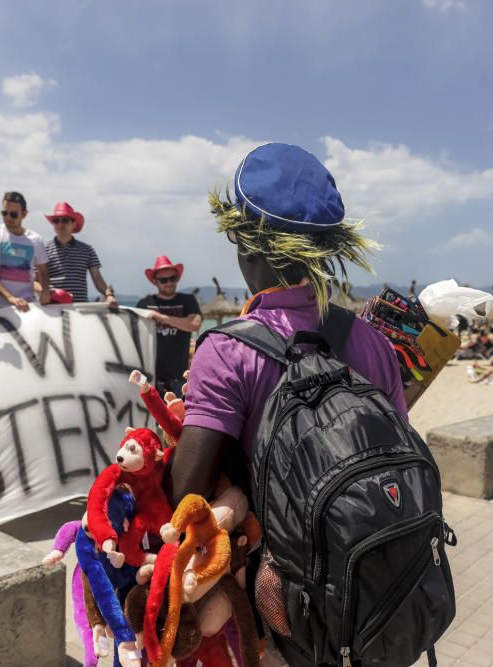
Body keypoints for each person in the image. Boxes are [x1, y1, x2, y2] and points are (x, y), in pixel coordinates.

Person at [165, 144, 414, 666]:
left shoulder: (227, 350)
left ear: (245, 244)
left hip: (283, 617)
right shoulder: (370, 342)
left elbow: (184, 497)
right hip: (376, 596)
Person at [135, 256, 202, 397]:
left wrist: (162, 318)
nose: (169, 283)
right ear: (155, 281)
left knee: (179, 417)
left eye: (172, 278)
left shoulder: (187, 300)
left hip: (180, 376)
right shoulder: (144, 304)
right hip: (150, 375)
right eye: (164, 280)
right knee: (152, 417)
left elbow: (195, 324)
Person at [0, 191, 51, 311]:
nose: (7, 218)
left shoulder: (36, 240)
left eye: (13, 214)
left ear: (24, 214)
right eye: (4, 213)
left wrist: (46, 290)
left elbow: (43, 271)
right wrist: (10, 298)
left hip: (27, 307)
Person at [43, 202, 118, 307]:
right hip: (53, 308)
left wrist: (109, 295)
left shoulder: (87, 250)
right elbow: (36, 280)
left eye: (65, 220)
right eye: (56, 220)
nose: (60, 224)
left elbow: (97, 278)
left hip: (81, 309)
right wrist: (49, 292)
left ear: (73, 224)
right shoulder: (43, 249)